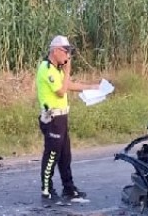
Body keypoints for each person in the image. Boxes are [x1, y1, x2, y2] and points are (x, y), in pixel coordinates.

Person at [36, 35, 103, 202]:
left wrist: (91, 87)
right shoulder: (47, 68)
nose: (68, 56)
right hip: (52, 119)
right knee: (52, 155)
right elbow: (60, 91)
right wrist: (67, 71)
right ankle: (47, 190)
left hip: (62, 117)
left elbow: (68, 86)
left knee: (65, 155)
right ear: (56, 50)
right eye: (66, 51)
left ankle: (69, 188)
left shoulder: (57, 69)